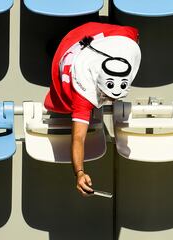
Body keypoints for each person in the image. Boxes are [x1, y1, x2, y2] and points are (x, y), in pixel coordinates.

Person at [44, 22, 141, 196]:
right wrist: (79, 172)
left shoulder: (126, 44)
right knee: (54, 50)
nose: (111, 100)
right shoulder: (83, 95)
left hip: (100, 33)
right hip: (69, 49)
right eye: (108, 95)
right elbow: (78, 138)